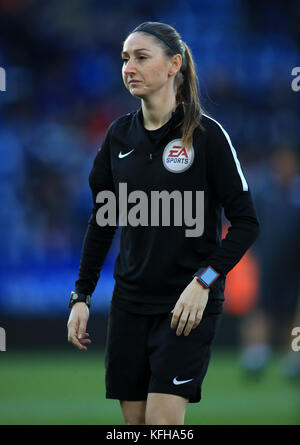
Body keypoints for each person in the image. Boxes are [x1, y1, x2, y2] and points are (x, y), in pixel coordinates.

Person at [67, 21, 260, 425]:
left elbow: (245, 223)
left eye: (140, 58)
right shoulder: (118, 137)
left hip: (186, 306)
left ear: (174, 65)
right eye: (124, 59)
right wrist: (81, 296)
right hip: (129, 306)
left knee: (162, 426)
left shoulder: (207, 135)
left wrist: (203, 282)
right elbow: (103, 224)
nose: (128, 68)